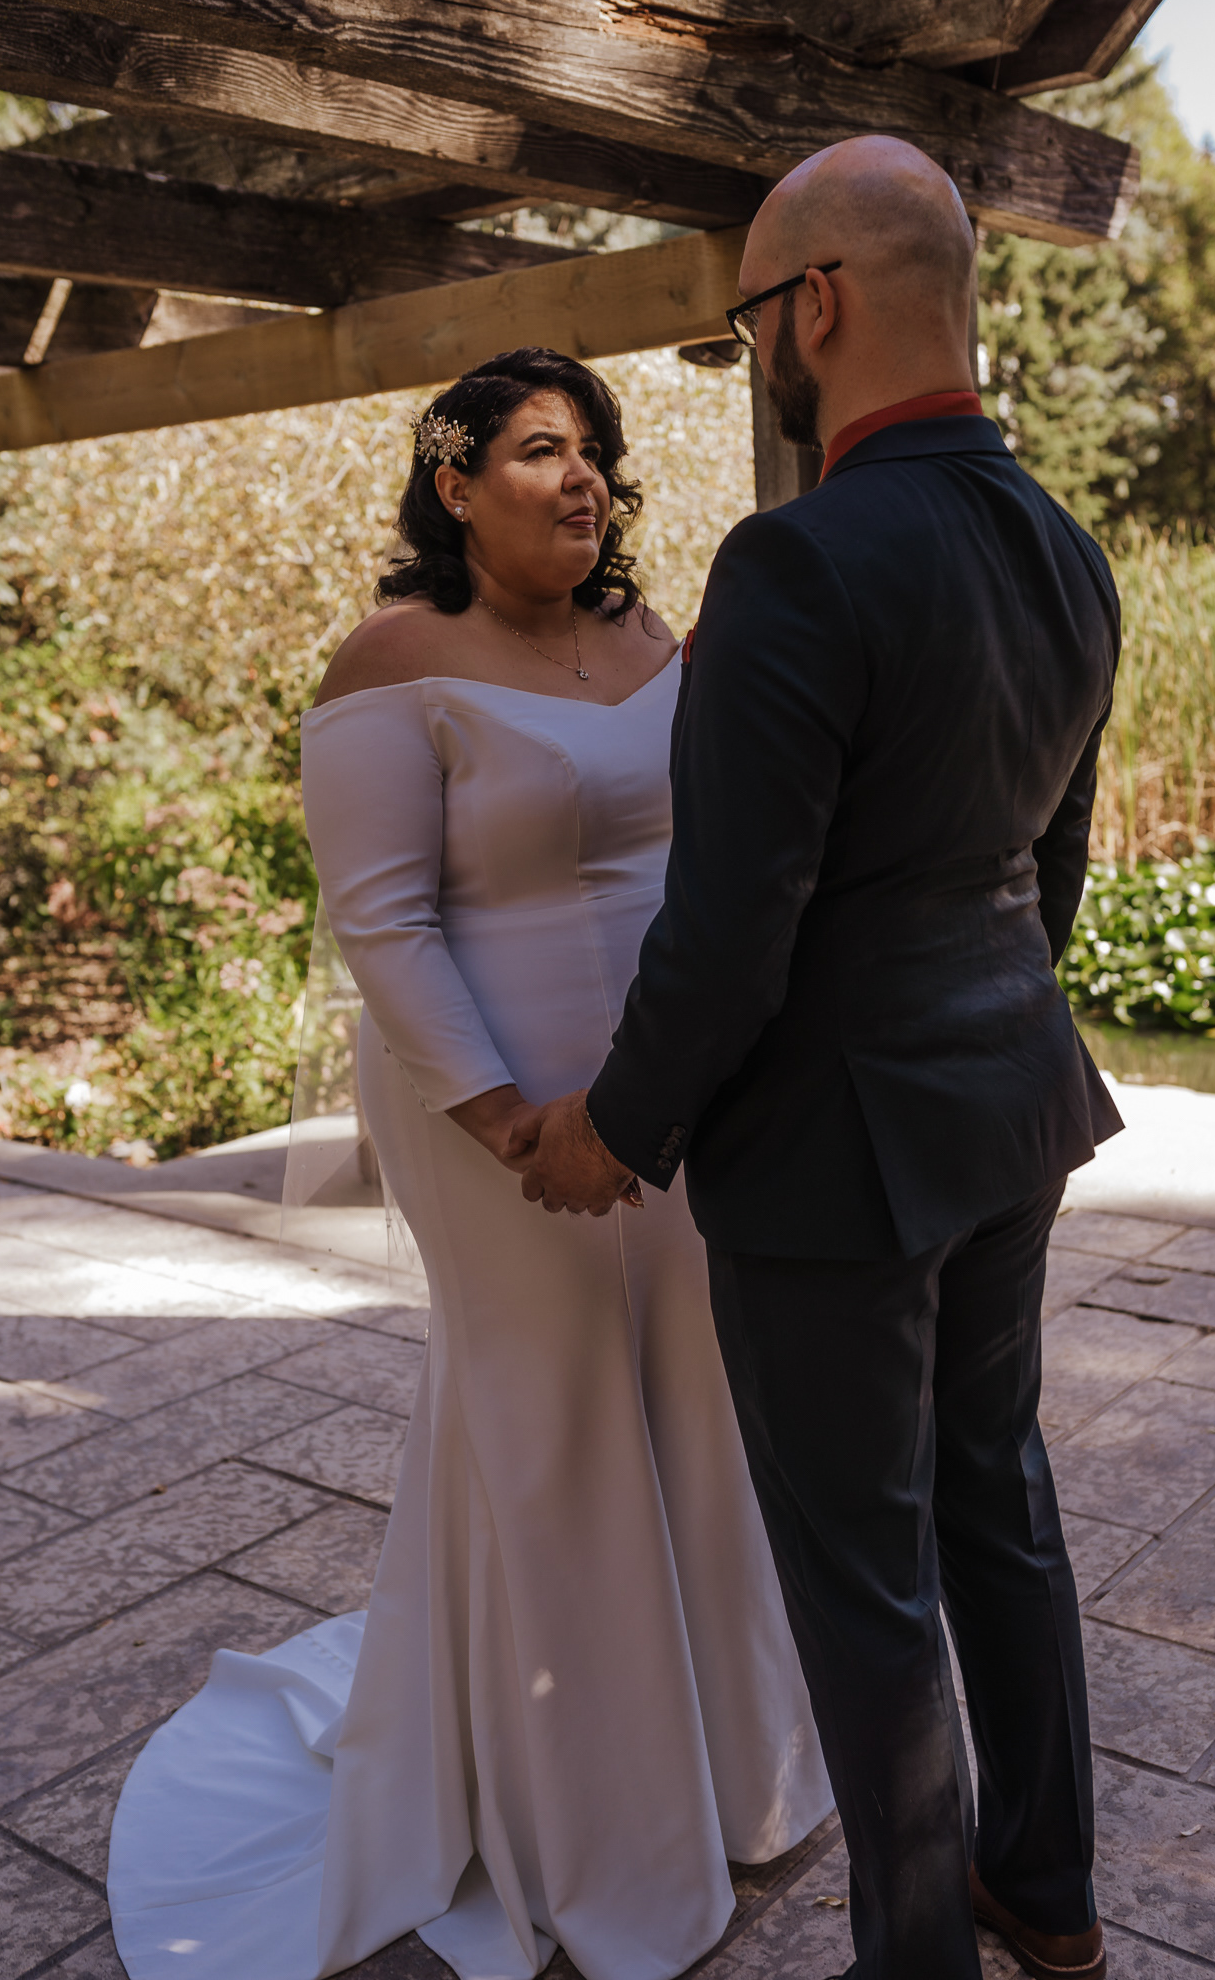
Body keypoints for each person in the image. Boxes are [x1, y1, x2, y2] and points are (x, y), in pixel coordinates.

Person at [106, 347, 832, 1980]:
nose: (583, 478)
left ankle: (735, 1771)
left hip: (670, 1093)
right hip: (491, 1110)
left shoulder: (650, 640)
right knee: (554, 1419)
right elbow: (383, 923)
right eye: (539, 449)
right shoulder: (391, 661)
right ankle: (588, 1828)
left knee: (696, 1400)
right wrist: (512, 1119)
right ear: (454, 484)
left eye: (595, 451)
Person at [522, 142, 1124, 1980]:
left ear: (821, 303)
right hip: (1009, 1103)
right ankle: (1047, 1894)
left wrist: (616, 1128)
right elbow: (1050, 867)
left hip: (830, 1158)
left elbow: (734, 925)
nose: (753, 355)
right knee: (998, 1499)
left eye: (747, 321)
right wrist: (978, 1031)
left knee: (865, 1577)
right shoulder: (1066, 550)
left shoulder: (792, 559)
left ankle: (916, 1956)